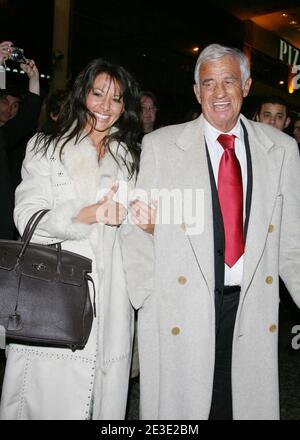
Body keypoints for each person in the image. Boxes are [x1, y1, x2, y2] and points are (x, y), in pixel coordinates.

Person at [120, 43, 300, 420]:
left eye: (229, 81)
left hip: (249, 307)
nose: (219, 93)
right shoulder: (162, 146)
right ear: (196, 91)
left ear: (246, 86)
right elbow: (135, 229)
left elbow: (292, 246)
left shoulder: (282, 150)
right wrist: (149, 299)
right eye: (208, 83)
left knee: (239, 407)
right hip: (180, 309)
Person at [0, 58, 141, 420]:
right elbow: (25, 214)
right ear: (83, 94)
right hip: (55, 291)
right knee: (48, 403)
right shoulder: (47, 145)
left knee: (101, 403)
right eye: (98, 94)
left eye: (116, 99)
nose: (105, 107)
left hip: (112, 298)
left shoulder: (129, 157)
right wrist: (85, 214)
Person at [0, 40, 41, 239]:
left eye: (15, 105)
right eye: (4, 102)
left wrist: (34, 79)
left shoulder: (5, 137)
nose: (9, 109)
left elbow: (28, 117)